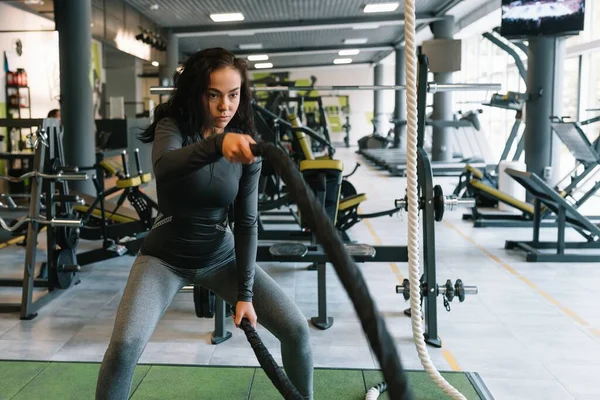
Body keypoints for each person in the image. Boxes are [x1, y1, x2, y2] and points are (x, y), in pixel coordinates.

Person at [95, 48, 314, 399]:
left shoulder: (246, 149)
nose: (224, 106)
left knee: (297, 330)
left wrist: (244, 294)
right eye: (214, 94)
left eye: (233, 95)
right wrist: (217, 144)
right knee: (123, 346)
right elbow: (166, 166)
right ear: (198, 92)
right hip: (163, 260)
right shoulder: (173, 128)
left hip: (222, 259)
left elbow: (246, 222)